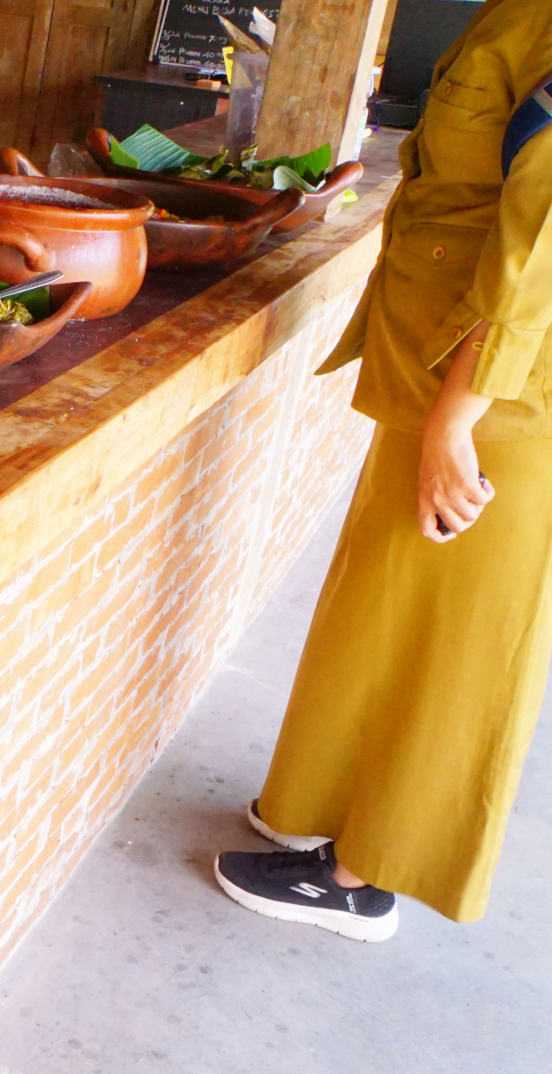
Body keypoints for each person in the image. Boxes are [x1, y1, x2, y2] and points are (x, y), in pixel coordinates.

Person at [214, 0, 552, 942]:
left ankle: (364, 879)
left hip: (496, 399)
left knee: (453, 643)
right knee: (386, 608)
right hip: (443, 368)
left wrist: (459, 417)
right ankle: (326, 806)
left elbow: (543, 249)